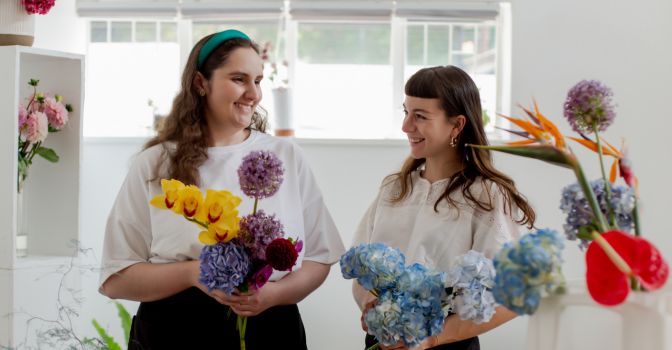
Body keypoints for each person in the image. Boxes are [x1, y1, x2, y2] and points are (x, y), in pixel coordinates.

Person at [99, 29, 345, 349]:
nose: (253, 94)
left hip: (271, 330)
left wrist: (272, 295)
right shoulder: (155, 165)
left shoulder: (285, 157)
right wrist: (193, 272)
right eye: (239, 79)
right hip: (174, 332)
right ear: (201, 83)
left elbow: (319, 257)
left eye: (258, 81)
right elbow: (116, 279)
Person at [351, 65, 536, 350]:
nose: (406, 126)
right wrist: (369, 302)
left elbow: (513, 297)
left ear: (457, 125)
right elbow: (361, 269)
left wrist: (432, 337)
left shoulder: (486, 196)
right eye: (406, 112)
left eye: (421, 116)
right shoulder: (395, 188)